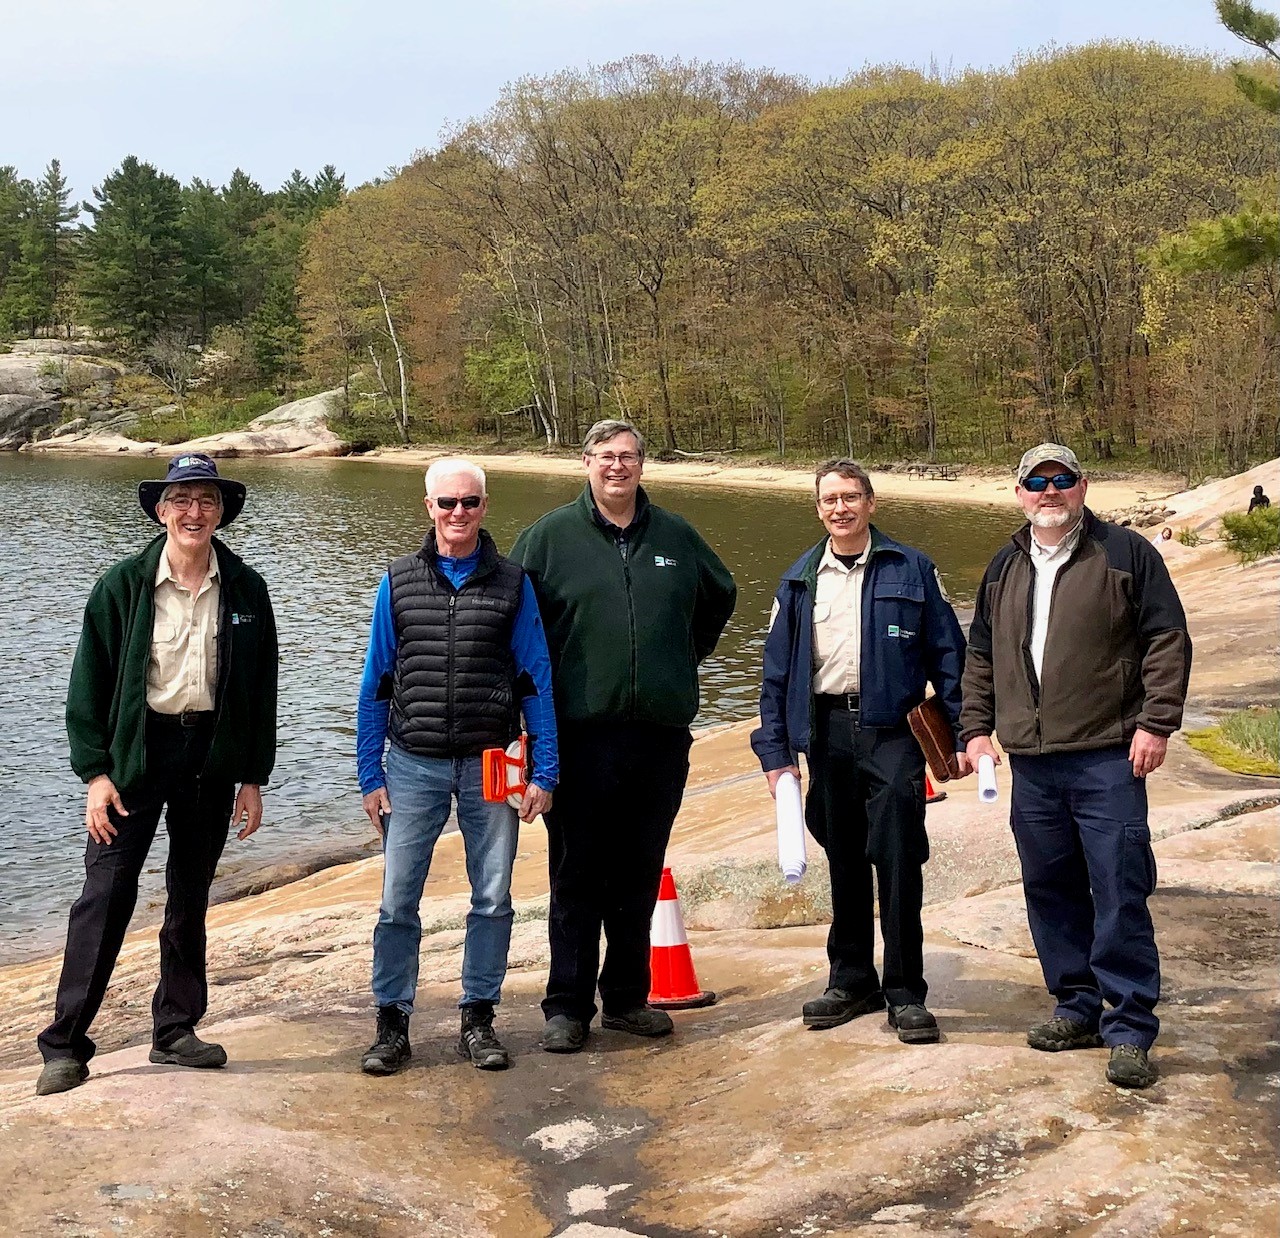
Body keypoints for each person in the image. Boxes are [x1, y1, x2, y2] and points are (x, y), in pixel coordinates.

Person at [36, 453, 278, 1097]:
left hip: (212, 757)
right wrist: (95, 774)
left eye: (206, 501)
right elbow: (85, 688)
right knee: (105, 896)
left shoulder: (247, 589)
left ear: (222, 512)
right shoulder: (121, 586)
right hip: (136, 758)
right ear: (160, 510)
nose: (193, 512)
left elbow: (259, 692)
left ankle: (174, 1030)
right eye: (181, 501)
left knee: (189, 895)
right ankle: (64, 1045)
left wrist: (252, 776)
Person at [960, 444, 1191, 1090]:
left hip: (1107, 756)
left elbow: (1166, 638)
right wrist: (975, 729)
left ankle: (1130, 1028)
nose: (1050, 491)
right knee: (1050, 887)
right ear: (1019, 493)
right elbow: (980, 655)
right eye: (1037, 481)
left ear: (1083, 487)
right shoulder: (1005, 565)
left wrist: (1156, 722)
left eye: (1062, 480)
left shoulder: (1124, 554)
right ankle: (1077, 1007)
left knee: (1118, 889)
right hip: (1033, 765)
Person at [511, 419, 736, 1053]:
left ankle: (628, 1000)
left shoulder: (675, 534)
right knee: (576, 874)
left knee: (639, 872)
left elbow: (719, 595)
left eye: (629, 457)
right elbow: (515, 624)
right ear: (585, 463)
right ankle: (567, 1006)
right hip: (578, 737)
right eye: (606, 457)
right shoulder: (548, 540)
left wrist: (678, 655)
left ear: (643, 464)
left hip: (658, 737)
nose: (618, 467)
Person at [752, 459, 968, 1045]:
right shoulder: (799, 580)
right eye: (829, 500)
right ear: (818, 509)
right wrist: (776, 753)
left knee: (897, 856)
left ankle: (904, 990)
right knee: (842, 853)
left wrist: (967, 733)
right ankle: (851, 979)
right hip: (825, 732)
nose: (840, 509)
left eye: (851, 497)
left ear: (871, 503)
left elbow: (950, 657)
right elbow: (775, 675)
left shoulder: (913, 568)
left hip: (893, 731)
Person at [356, 459, 558, 1074]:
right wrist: (371, 775)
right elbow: (376, 684)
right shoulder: (397, 581)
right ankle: (392, 1023)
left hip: (491, 760)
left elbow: (535, 681)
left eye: (469, 503)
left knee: (493, 897)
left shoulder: (514, 583)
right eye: (447, 503)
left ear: (485, 506)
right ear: (428, 507)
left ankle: (479, 1017)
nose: (458, 514)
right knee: (397, 901)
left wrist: (544, 773)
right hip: (412, 764)